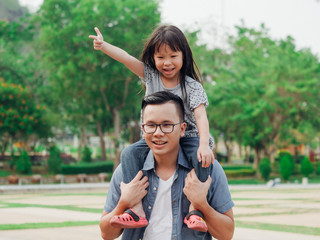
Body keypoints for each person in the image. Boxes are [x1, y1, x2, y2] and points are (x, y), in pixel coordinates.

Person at [89, 25, 214, 231]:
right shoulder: (151, 76)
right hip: (154, 138)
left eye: (173, 56)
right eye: (160, 57)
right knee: (128, 153)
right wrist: (104, 46)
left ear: (184, 56)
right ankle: (135, 209)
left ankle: (195, 211)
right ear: (153, 59)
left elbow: (201, 116)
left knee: (203, 157)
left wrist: (203, 144)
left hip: (188, 136)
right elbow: (126, 58)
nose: (167, 63)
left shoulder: (192, 86)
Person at [99, 91, 234, 240]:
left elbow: (226, 234)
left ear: (182, 129)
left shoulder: (209, 168)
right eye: (151, 125)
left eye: (167, 125)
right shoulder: (128, 171)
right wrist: (124, 203)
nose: (158, 133)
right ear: (143, 129)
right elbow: (107, 234)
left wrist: (201, 204)